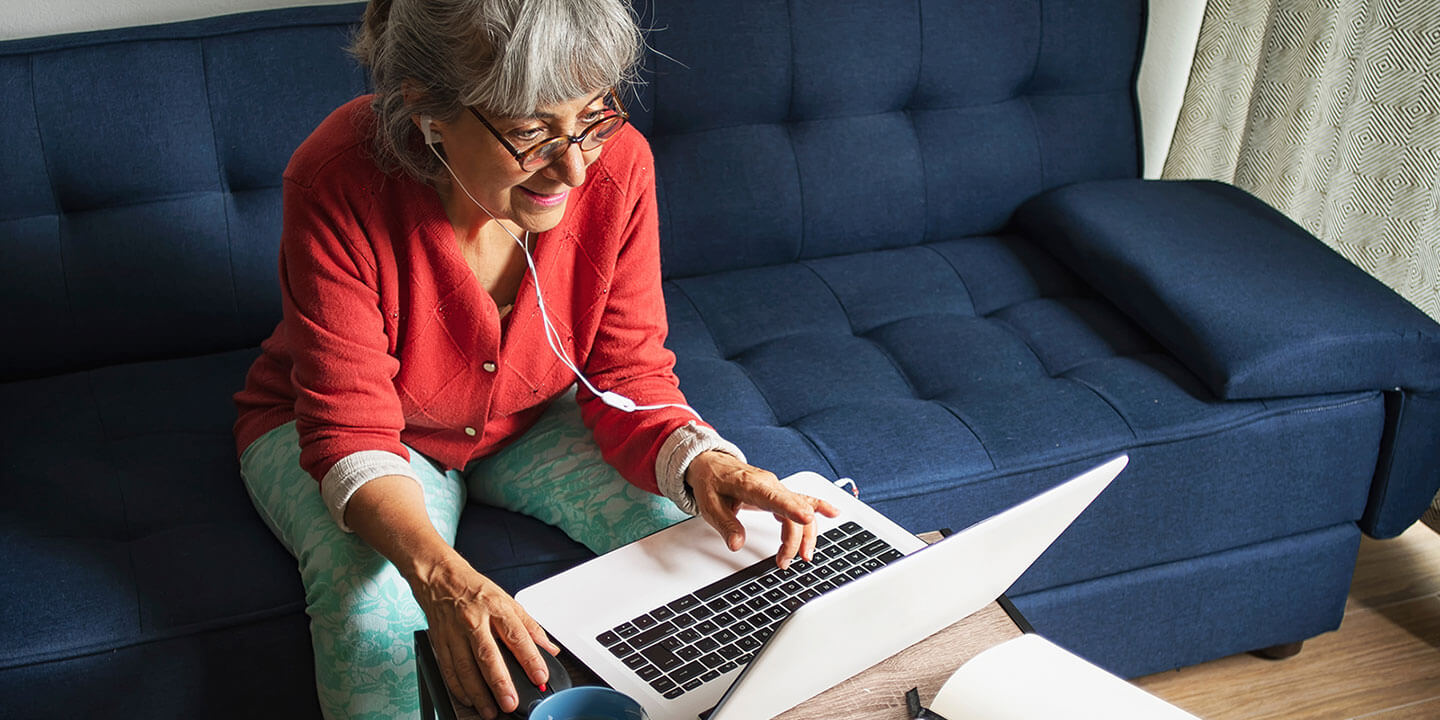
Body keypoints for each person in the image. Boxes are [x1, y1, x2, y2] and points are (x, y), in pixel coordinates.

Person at [231, 1, 838, 718]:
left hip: (533, 412)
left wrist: (709, 463)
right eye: (530, 133)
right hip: (361, 437)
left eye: (593, 115)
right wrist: (442, 578)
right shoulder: (335, 175)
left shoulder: (619, 164)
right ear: (427, 110)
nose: (576, 168)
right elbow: (350, 432)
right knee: (375, 622)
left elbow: (628, 372)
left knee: (701, 542)